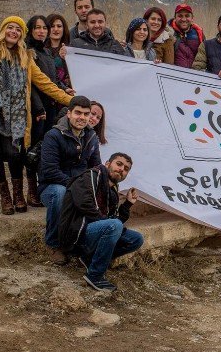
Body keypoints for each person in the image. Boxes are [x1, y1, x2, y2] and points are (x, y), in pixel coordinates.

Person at [0, 16, 71, 215]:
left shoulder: (26, 57)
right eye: (10, 27)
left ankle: (18, 194)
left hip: (17, 115)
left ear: (22, 34)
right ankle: (5, 197)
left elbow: (45, 84)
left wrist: (71, 101)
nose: (14, 31)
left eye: (18, 29)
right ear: (3, 30)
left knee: (14, 154)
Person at [58, 152, 144, 292]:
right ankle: (95, 275)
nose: (122, 169)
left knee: (136, 239)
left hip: (92, 234)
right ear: (107, 164)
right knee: (114, 225)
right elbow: (85, 206)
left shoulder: (112, 190)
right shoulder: (90, 176)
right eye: (119, 164)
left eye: (126, 169)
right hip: (75, 235)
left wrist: (127, 204)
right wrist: (113, 224)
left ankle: (89, 258)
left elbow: (115, 221)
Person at [38, 96, 100, 265]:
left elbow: (95, 167)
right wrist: (76, 186)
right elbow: (50, 171)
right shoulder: (53, 135)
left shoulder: (91, 136)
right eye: (78, 113)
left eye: (86, 114)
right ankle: (53, 244)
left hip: (79, 187)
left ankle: (84, 247)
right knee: (60, 193)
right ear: (69, 114)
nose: (82, 117)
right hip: (51, 187)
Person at [25, 15, 74, 207]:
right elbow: (31, 84)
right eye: (37, 28)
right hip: (37, 108)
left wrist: (63, 89)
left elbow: (51, 80)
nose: (42, 31)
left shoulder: (45, 52)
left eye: (44, 27)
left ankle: (41, 187)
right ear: (30, 30)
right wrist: (38, 107)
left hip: (52, 105)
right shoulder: (28, 53)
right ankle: (31, 191)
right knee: (33, 150)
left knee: (46, 148)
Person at [171, 4, 205, 68]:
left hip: (193, 75)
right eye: (180, 16)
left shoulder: (199, 33)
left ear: (192, 18)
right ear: (175, 18)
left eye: (187, 16)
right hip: (173, 75)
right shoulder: (168, 33)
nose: (184, 19)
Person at [45, 13, 72, 89]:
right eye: (52, 26)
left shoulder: (71, 49)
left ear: (64, 28)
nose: (56, 29)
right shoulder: (41, 51)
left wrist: (65, 59)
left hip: (68, 93)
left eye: (59, 26)